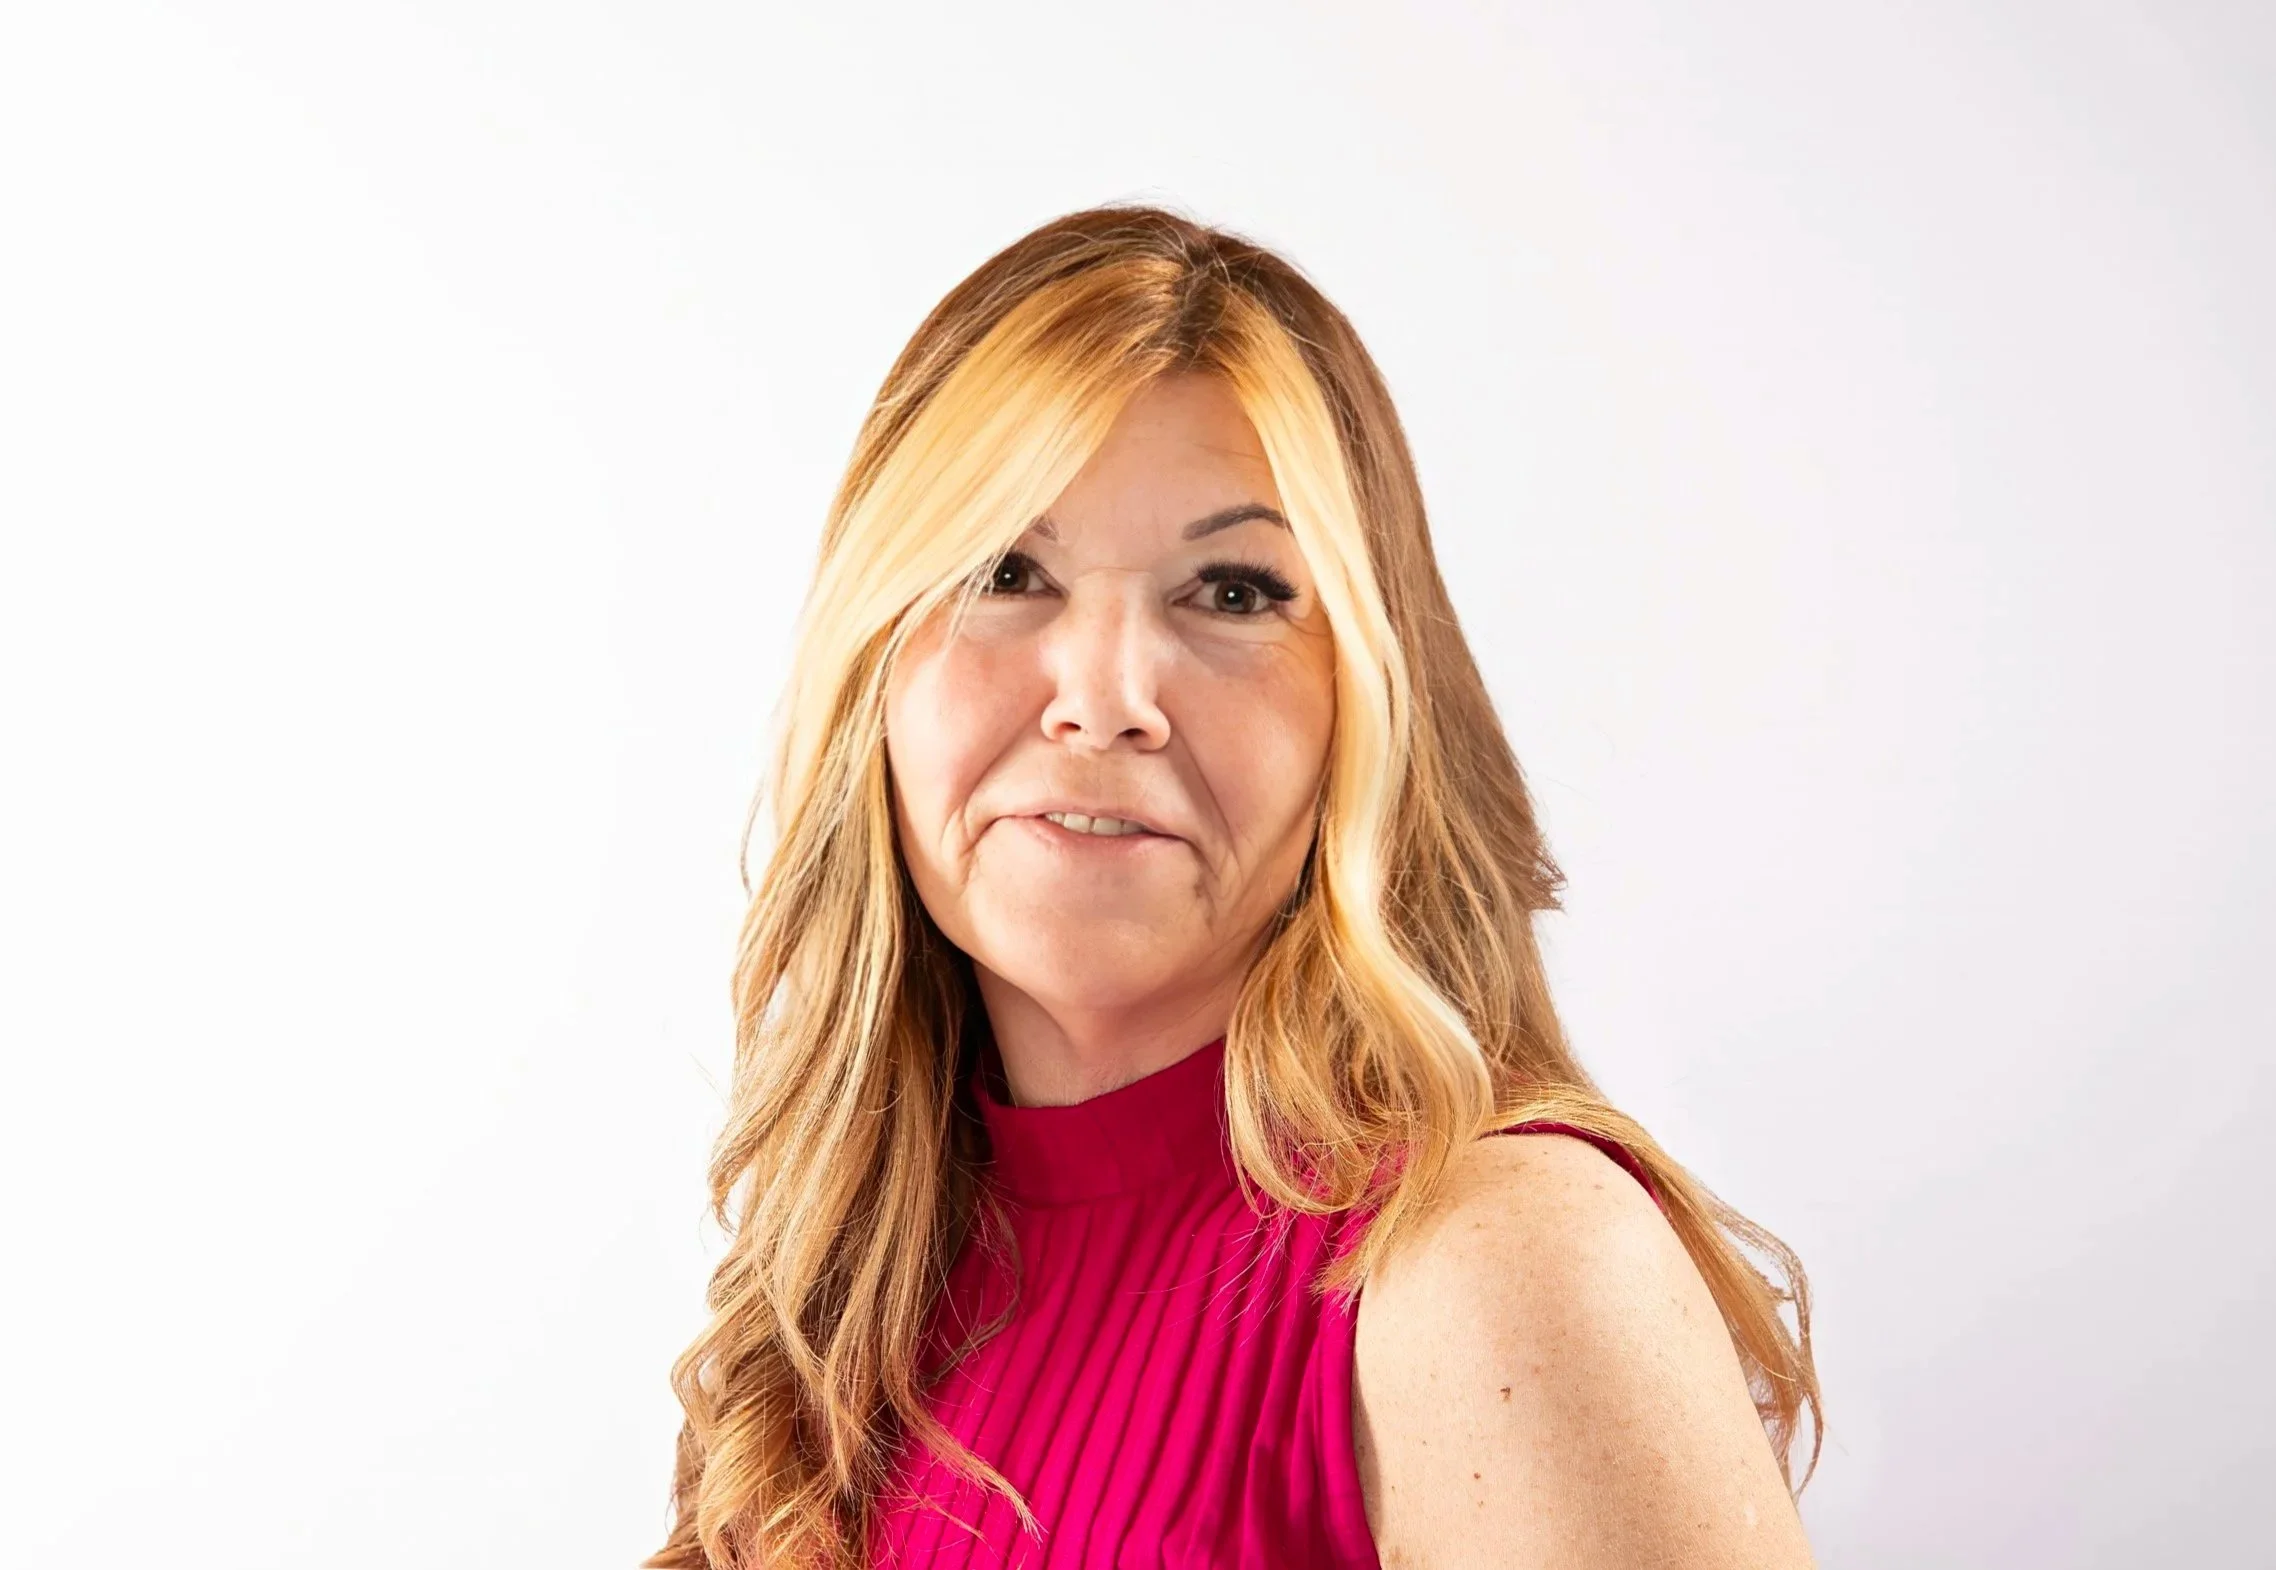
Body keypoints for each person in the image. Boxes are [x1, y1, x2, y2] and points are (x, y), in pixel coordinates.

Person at [646, 204, 1821, 1569]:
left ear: (1371, 708)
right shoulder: (837, 1312)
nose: (1102, 697)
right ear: (871, 670)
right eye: (1003, 571)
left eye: (1233, 590)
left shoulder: (1502, 1265)